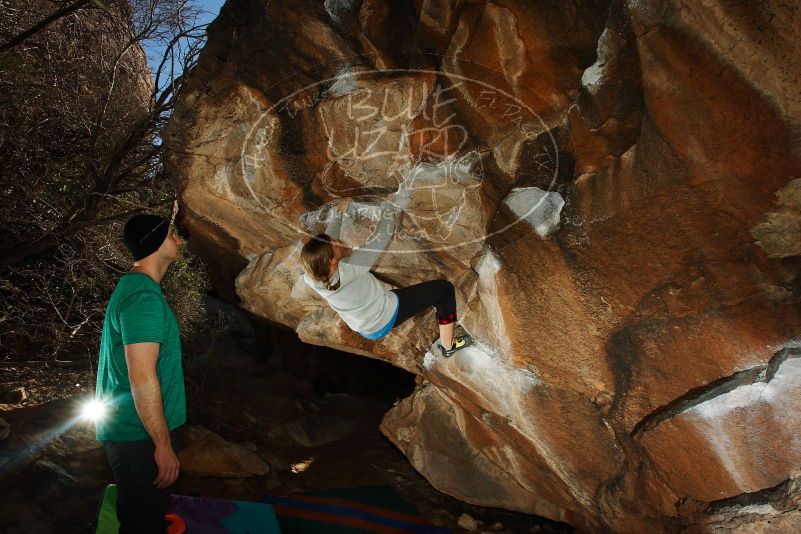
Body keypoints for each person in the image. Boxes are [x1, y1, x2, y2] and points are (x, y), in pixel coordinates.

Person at [94, 203, 186, 533]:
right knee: (143, 523)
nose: (177, 240)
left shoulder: (135, 289)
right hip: (139, 434)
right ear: (157, 242)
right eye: (171, 234)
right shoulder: (143, 298)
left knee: (142, 513)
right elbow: (142, 377)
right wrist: (161, 445)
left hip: (134, 431)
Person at [300, 200, 470, 357]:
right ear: (332, 262)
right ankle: (448, 347)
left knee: (404, 295)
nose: (337, 242)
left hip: (364, 326)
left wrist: (338, 214)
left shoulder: (312, 274)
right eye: (335, 245)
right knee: (444, 290)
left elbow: (327, 242)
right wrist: (388, 207)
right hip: (385, 317)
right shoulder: (353, 268)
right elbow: (383, 234)